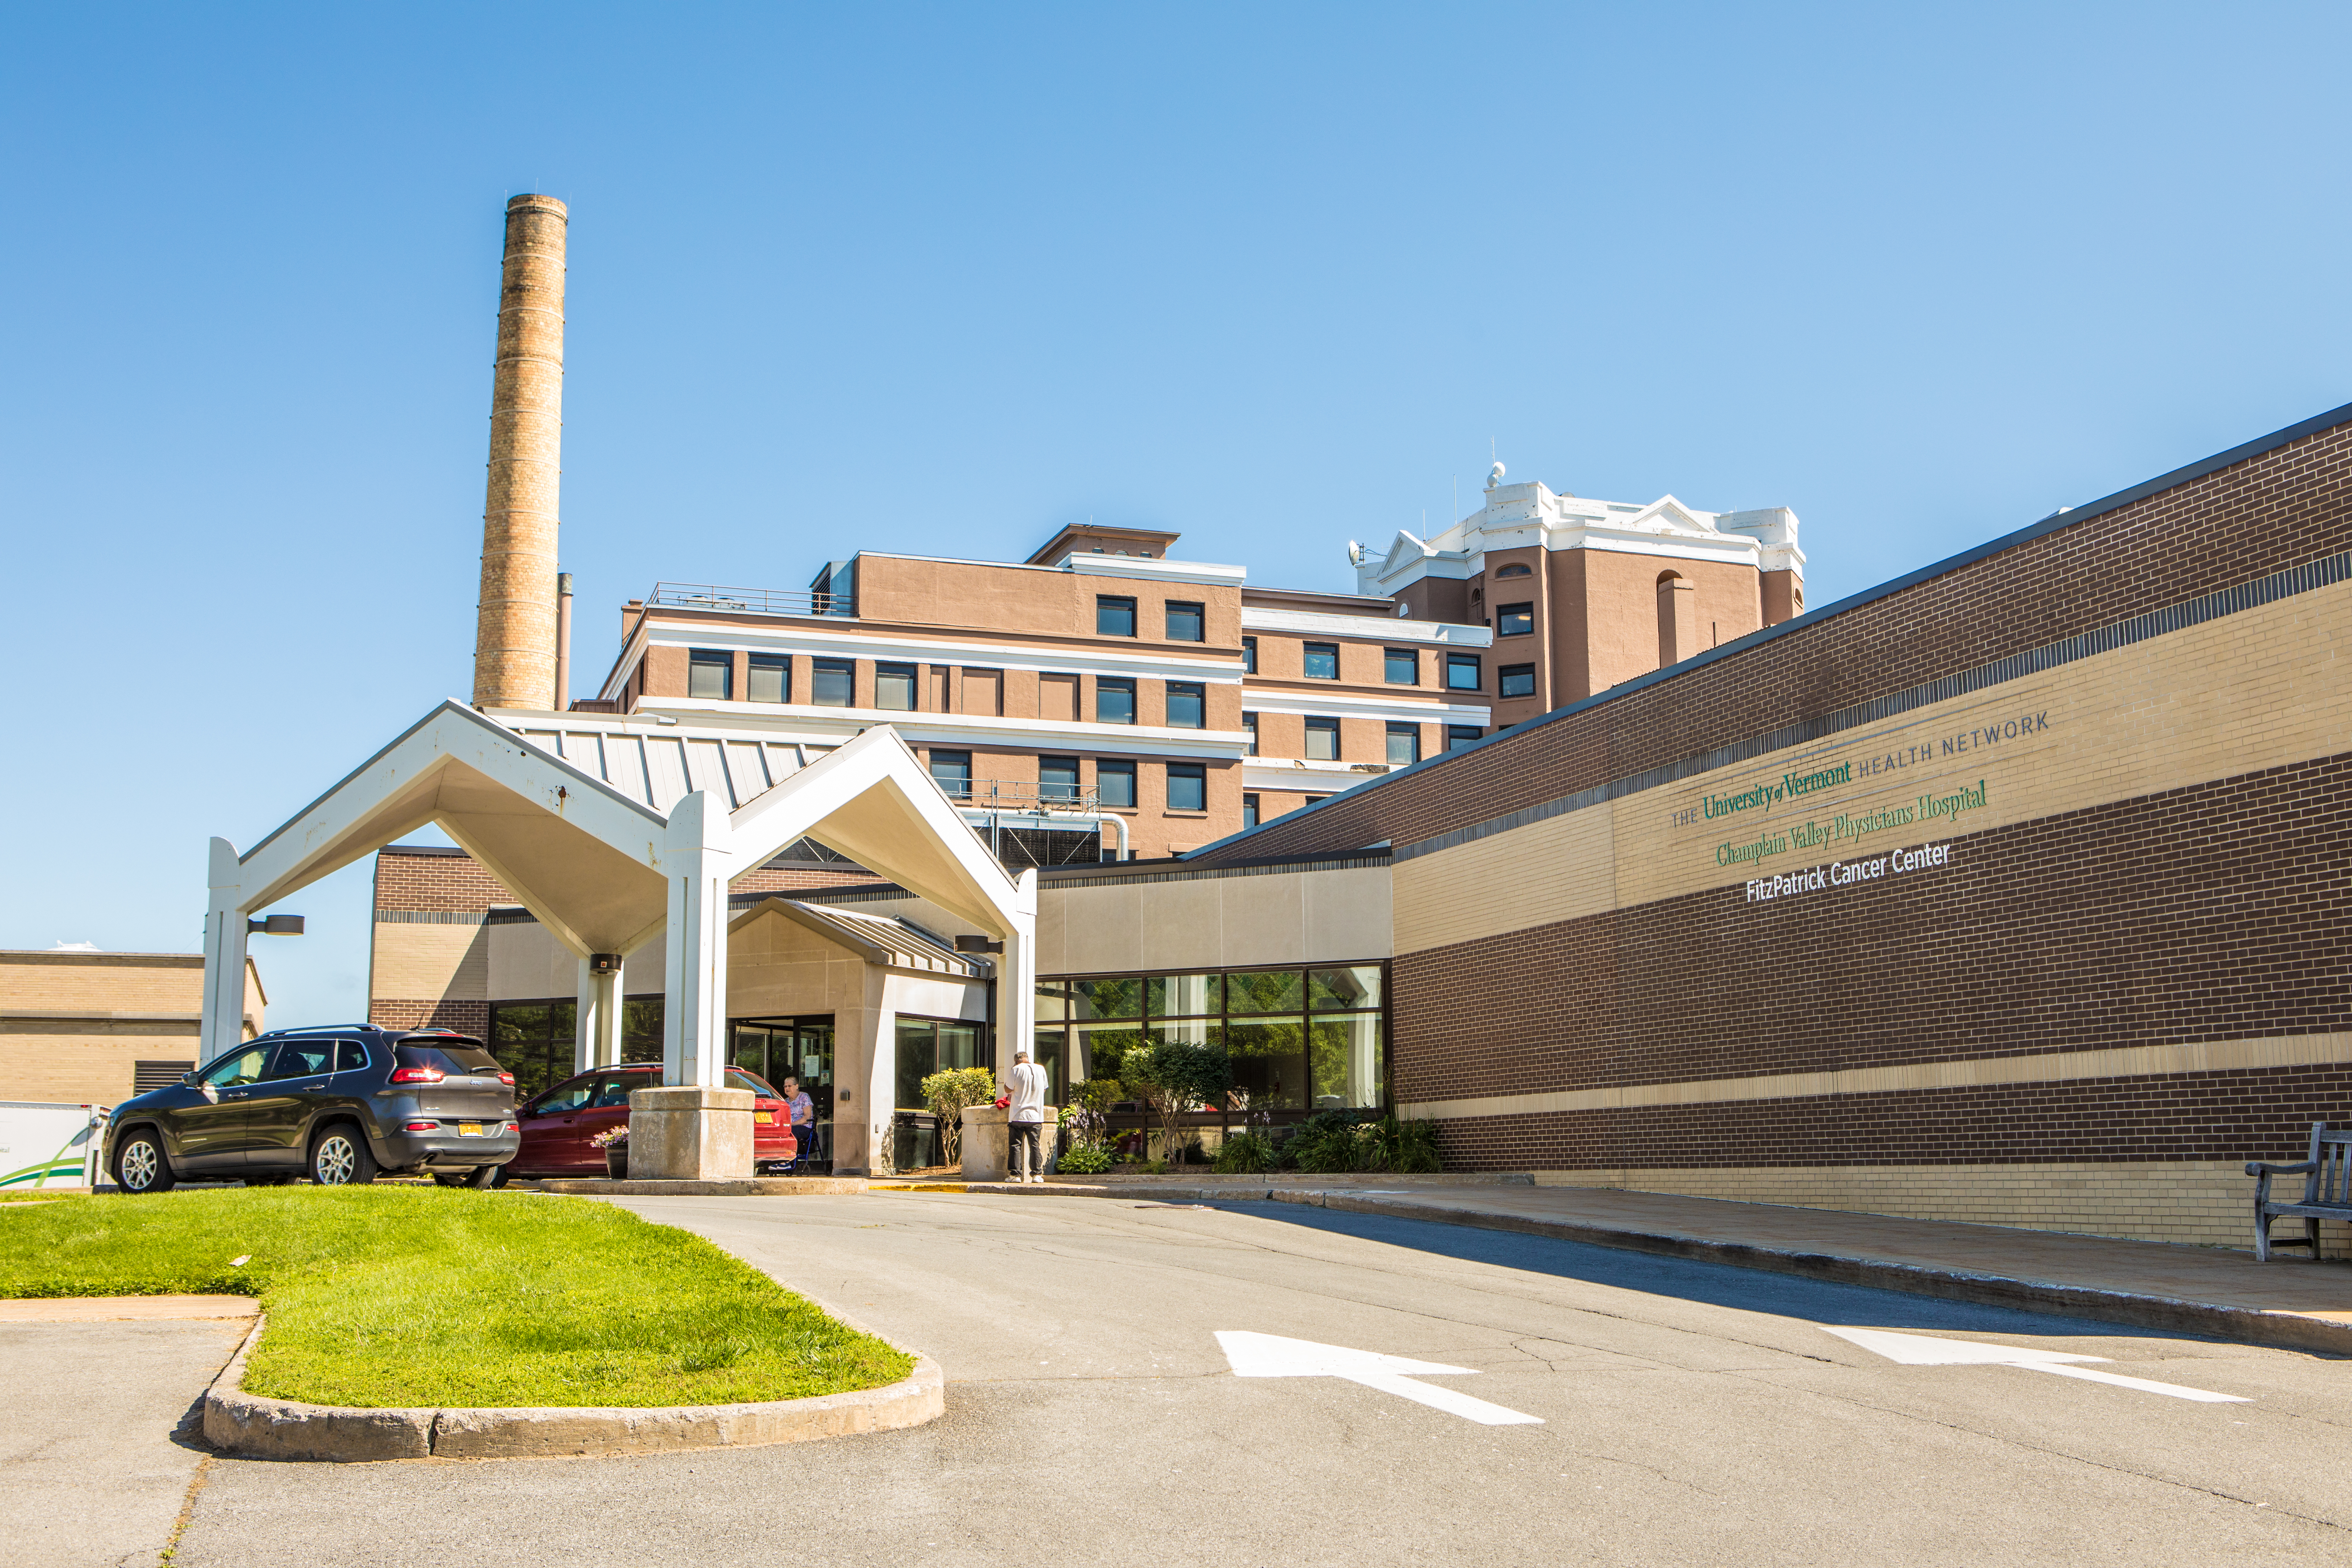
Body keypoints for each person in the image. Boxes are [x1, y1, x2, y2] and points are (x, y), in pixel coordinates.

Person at [1000, 1048, 1049, 1184]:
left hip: (1018, 1114)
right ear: (1027, 1058)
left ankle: (1015, 1175)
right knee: (1035, 1145)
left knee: (1015, 1145)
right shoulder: (1041, 1069)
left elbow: (1008, 1089)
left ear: (1017, 1060)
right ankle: (1037, 1175)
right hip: (1036, 1115)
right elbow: (1044, 1089)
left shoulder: (1016, 1069)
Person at [782, 1076, 815, 1172]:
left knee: (789, 1132)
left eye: (789, 1086)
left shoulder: (804, 1097)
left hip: (804, 1127)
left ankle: (786, 1161)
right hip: (790, 1127)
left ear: (797, 1086)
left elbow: (807, 1117)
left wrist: (791, 1125)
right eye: (785, 1086)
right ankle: (779, 1160)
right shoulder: (786, 1102)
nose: (787, 1088)